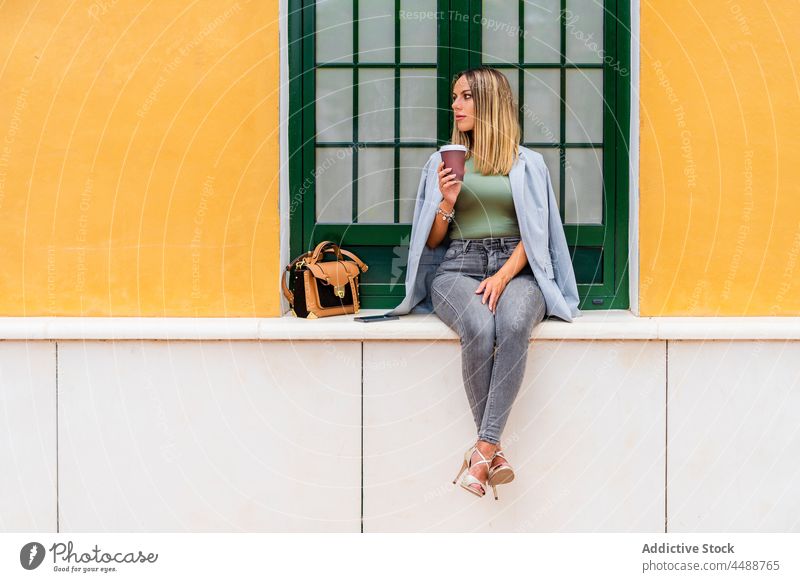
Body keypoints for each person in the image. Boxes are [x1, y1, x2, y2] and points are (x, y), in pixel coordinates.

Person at [430, 67, 574, 500]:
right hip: (457, 266)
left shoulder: (529, 164)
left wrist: (504, 274)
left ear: (490, 102)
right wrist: (447, 202)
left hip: (519, 265)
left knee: (512, 326)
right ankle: (491, 450)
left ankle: (483, 450)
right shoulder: (445, 162)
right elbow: (433, 239)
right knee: (478, 327)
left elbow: (539, 231)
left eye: (466, 97)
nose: (455, 105)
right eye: (454, 97)